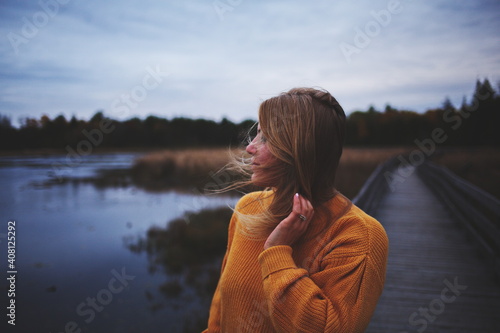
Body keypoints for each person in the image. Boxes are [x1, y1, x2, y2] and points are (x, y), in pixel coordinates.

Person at [203, 88, 388, 333]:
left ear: (299, 150)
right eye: (256, 135)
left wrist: (278, 252)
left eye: (266, 139)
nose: (250, 148)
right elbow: (221, 308)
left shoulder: (357, 235)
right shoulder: (248, 207)